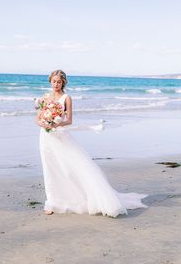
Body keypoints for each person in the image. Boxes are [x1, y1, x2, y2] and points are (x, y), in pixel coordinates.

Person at [36, 69, 148, 217]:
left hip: (59, 135)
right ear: (50, 81)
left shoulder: (66, 98)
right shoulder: (45, 98)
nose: (56, 84)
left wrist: (56, 124)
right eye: (54, 81)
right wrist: (44, 123)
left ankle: (77, 197)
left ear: (63, 83)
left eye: (59, 81)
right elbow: (38, 117)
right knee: (49, 168)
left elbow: (69, 120)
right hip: (45, 136)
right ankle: (52, 202)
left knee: (68, 168)